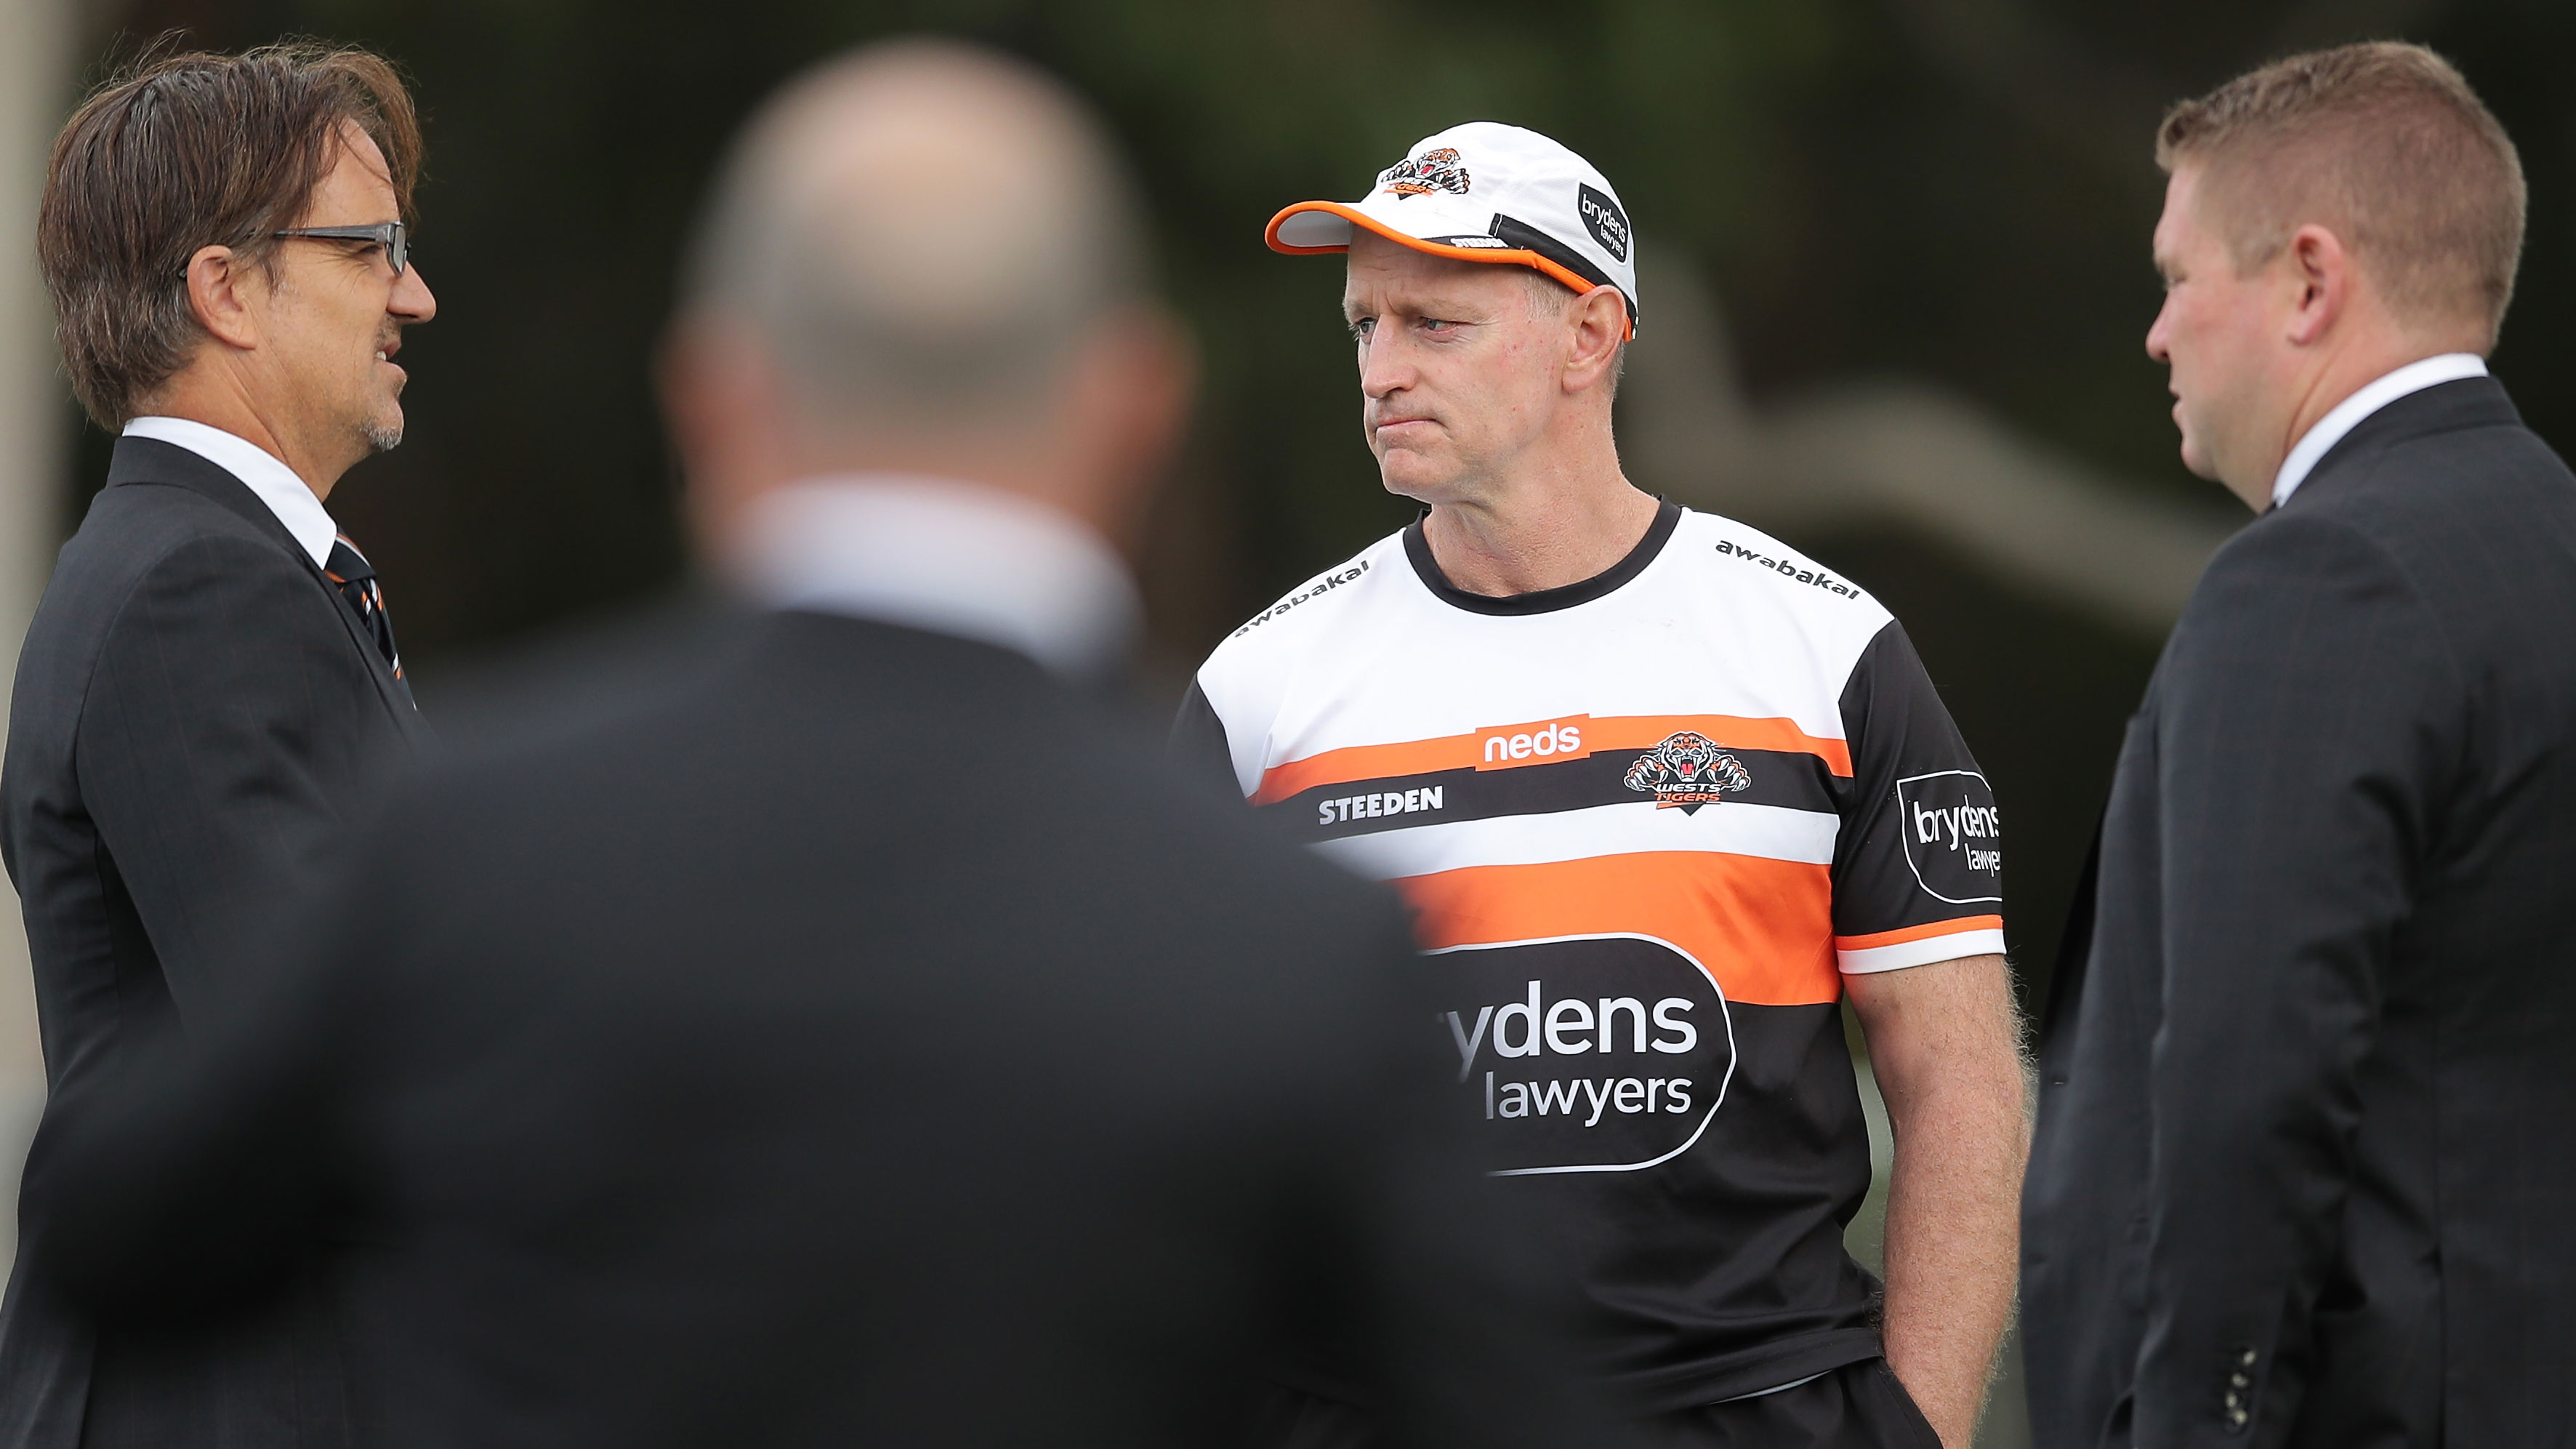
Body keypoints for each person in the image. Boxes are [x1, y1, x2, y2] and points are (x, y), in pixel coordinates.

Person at [20, 42, 1595, 1448]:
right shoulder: (1302, 947)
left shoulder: (479, 849)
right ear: (1138, 411)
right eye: (373, 250)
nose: (415, 292)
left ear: (714, 403)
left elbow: (142, 1199)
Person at [1173, 122, 2029, 1449]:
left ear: (1589, 335)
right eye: (1365, 326)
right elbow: (1156, 1115)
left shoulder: (1822, 648)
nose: (1382, 369)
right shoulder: (1259, 690)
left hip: (1753, 1407)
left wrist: (1918, 1431)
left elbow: (1962, 1082)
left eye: (1434, 324)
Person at [2021, 42, 2576, 1448]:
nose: (2159, 334)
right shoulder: (2548, 545)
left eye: (2179, 276)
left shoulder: (2327, 576)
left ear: (2311, 283)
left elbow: (2249, 1083)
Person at [0, 43, 436, 1448]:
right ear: (225, 289)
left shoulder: (205, 569)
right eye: (372, 247)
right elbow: (322, 1056)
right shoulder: (198, 588)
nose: (414, 294)